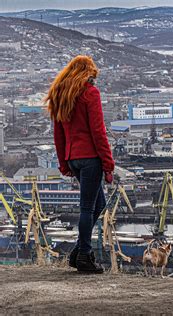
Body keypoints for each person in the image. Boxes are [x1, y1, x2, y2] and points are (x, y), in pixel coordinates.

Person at [46, 55, 114, 273]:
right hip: (91, 159)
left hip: (73, 158)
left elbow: (59, 136)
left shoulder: (60, 95)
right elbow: (98, 132)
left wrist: (63, 163)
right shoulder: (89, 94)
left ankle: (78, 250)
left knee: (98, 205)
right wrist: (108, 164)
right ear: (89, 73)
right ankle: (84, 255)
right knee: (87, 207)